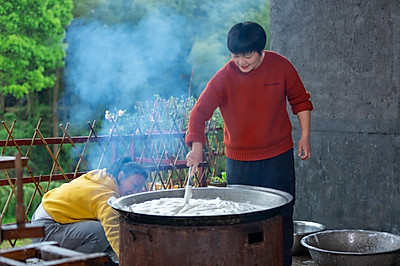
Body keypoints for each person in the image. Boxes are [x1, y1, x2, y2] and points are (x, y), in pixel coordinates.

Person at [185, 21, 313, 266]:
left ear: (260, 49)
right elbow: (198, 114)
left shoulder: (281, 66)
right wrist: (197, 148)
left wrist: (305, 136)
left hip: (278, 156)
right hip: (240, 161)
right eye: (235, 56)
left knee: (281, 216)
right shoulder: (224, 77)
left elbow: (301, 102)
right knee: (243, 219)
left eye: (248, 55)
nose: (242, 62)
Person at [31, 156, 147, 259]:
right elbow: (113, 231)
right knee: (101, 232)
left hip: (44, 223)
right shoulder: (104, 195)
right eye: (134, 185)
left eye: (139, 188)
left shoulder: (101, 177)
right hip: (45, 232)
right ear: (121, 176)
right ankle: (68, 263)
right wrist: (129, 260)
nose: (135, 192)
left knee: (101, 232)